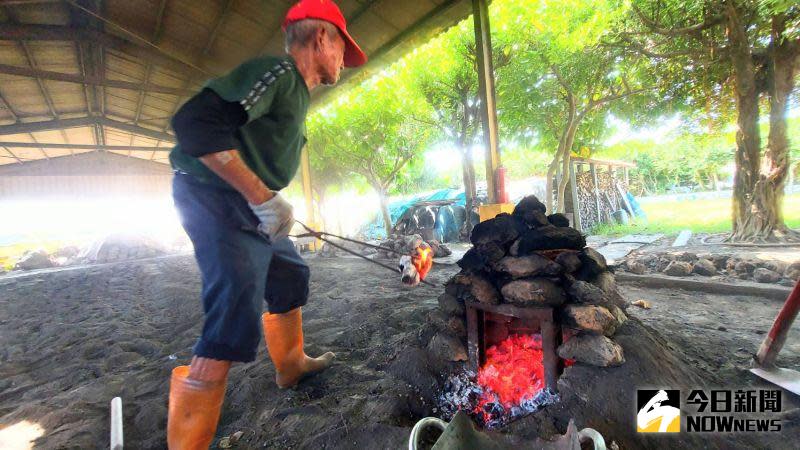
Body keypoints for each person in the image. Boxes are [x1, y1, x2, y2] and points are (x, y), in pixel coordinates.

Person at [165, 1, 366, 448]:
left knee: (290, 273)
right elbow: (194, 123)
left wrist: (268, 199)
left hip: (246, 204)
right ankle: (188, 440)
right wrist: (262, 197)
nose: (342, 62)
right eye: (341, 49)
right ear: (321, 39)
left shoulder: (296, 94)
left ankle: (290, 365)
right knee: (237, 298)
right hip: (212, 195)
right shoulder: (277, 73)